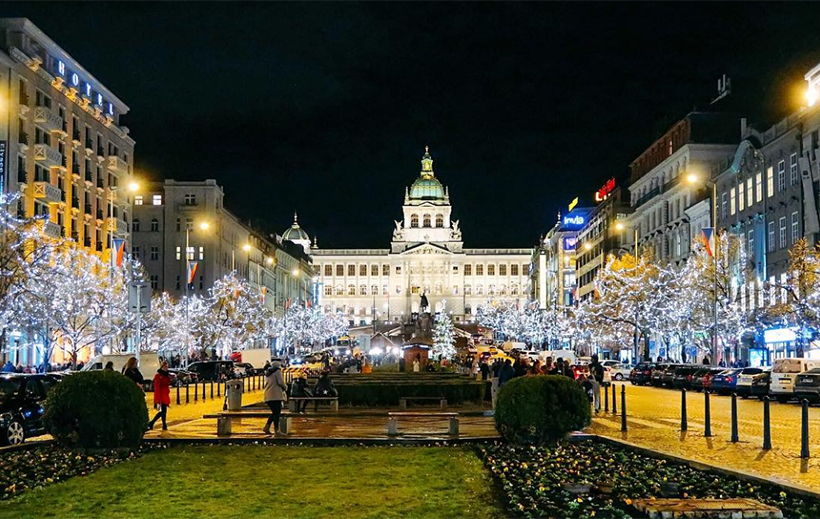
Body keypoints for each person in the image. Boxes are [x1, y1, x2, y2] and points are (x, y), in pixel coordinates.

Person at [263, 360, 288, 435]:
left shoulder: (268, 373)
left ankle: (267, 427)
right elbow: (281, 382)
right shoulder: (277, 372)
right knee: (277, 413)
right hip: (275, 395)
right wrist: (286, 388)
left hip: (268, 395)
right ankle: (277, 430)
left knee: (275, 412)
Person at [148, 361, 171, 431]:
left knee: (163, 411)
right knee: (163, 411)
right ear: (162, 367)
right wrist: (157, 399)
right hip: (161, 395)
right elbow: (157, 388)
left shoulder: (166, 375)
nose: (166, 368)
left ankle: (153, 423)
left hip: (165, 395)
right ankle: (163, 425)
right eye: (165, 367)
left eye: (167, 367)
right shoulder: (158, 376)